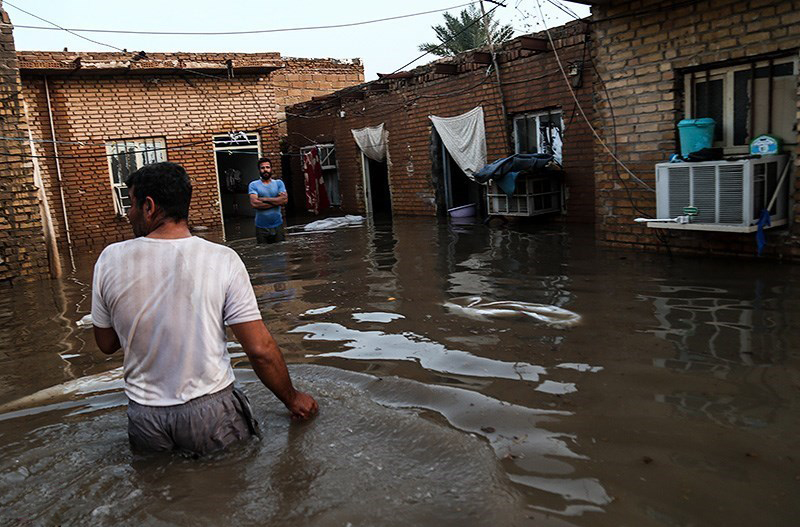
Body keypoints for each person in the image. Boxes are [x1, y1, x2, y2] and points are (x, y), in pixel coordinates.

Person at [92, 162, 317, 456]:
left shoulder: (110, 258)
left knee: (159, 493)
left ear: (149, 207)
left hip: (145, 418)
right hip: (211, 413)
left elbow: (106, 343)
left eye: (131, 205)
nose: (128, 214)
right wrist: (292, 398)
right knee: (226, 493)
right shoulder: (223, 259)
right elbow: (260, 349)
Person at [249, 157, 287, 244]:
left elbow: (284, 201)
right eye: (262, 168)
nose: (265, 170)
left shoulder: (279, 183)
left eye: (267, 167)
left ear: (271, 169)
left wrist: (265, 199)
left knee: (281, 253)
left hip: (278, 225)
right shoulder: (253, 185)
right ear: (259, 170)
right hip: (261, 227)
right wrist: (276, 202)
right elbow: (255, 204)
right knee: (264, 253)